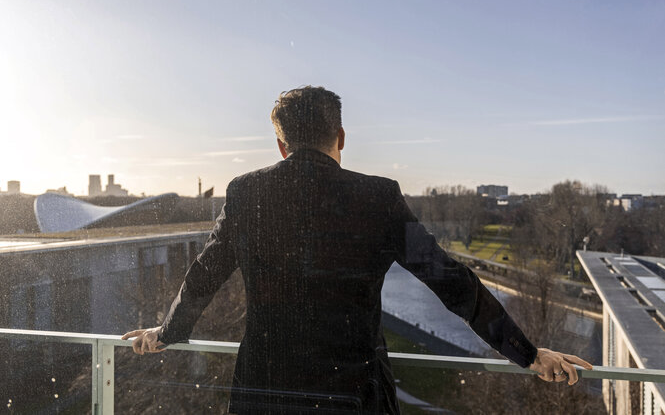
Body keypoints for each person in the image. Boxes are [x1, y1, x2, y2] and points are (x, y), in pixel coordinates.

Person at [122, 86, 592, 414]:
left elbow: (205, 274)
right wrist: (528, 354)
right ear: (341, 138)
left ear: (281, 145)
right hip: (351, 395)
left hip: (265, 393)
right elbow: (450, 282)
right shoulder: (377, 197)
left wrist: (167, 331)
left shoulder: (246, 194)